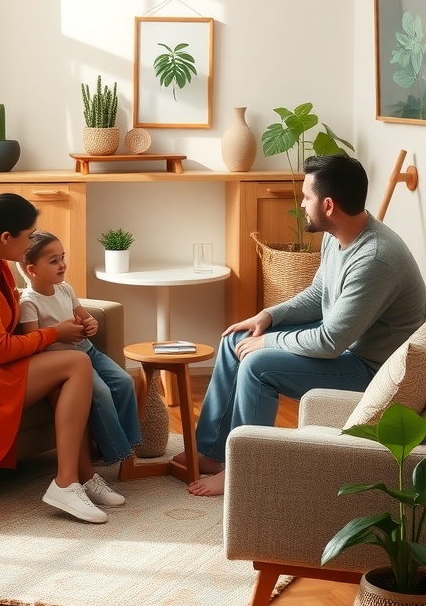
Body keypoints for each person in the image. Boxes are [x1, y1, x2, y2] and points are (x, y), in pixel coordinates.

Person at [178, 155, 426, 497]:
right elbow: (318, 295)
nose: (302, 204)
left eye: (307, 197)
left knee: (257, 365)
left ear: (328, 204)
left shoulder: (376, 258)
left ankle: (243, 469)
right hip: (348, 345)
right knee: (238, 337)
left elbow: (329, 341)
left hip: (369, 367)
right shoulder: (336, 234)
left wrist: (268, 344)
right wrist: (269, 316)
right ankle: (212, 451)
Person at [0, 193, 125, 524]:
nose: (32, 241)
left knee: (67, 373)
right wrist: (54, 333)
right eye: (29, 235)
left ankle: (81, 477)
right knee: (76, 363)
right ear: (6, 238)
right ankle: (65, 483)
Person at [19, 232, 142, 471]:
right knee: (102, 393)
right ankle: (117, 452)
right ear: (32, 270)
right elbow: (31, 342)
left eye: (62, 257)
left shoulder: (65, 289)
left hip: (88, 350)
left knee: (125, 381)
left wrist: (90, 324)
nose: (62, 264)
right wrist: (59, 332)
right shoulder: (28, 303)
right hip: (64, 360)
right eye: (53, 261)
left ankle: (130, 444)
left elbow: (85, 317)